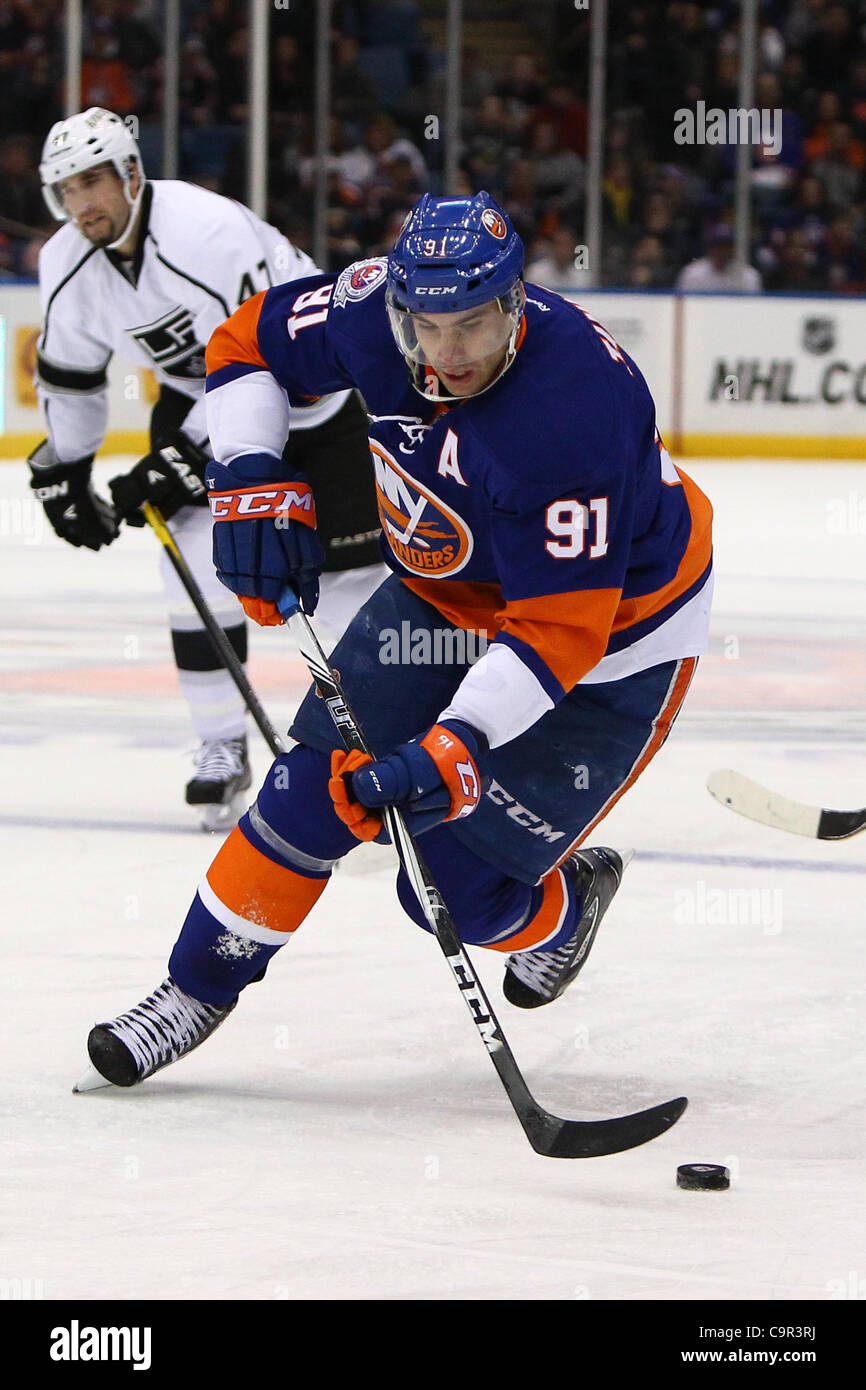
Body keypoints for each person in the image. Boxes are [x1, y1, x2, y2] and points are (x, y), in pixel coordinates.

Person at [76, 191, 714, 1091]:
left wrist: (455, 743)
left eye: (474, 328)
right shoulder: (370, 309)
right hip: (445, 599)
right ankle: (193, 989)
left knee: (445, 891)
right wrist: (251, 472)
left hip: (616, 640)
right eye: (427, 327)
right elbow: (245, 345)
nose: (448, 355)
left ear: (516, 305)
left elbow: (559, 629)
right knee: (309, 788)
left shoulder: (577, 410)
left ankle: (564, 911)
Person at [28, 108, 387, 828]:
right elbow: (72, 380)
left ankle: (373, 743)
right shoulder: (65, 263)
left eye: (93, 182)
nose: (81, 204)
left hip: (315, 394)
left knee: (353, 585)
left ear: (131, 172)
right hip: (200, 398)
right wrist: (64, 471)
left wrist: (179, 460)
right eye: (66, 190)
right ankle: (220, 744)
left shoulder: (209, 233)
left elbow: (263, 358)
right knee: (194, 562)